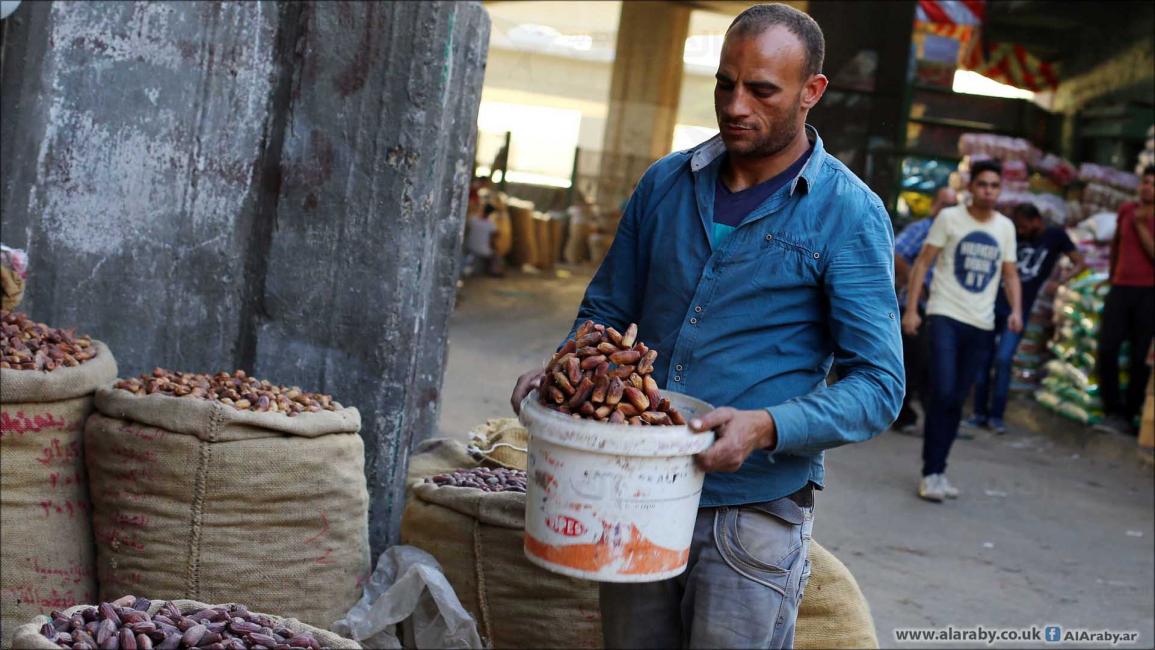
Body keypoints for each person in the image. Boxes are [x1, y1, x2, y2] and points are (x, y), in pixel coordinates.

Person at [510, 5, 903, 647]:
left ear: (812, 93)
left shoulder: (847, 213)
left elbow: (879, 385)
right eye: (725, 83)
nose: (735, 105)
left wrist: (767, 425)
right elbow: (606, 313)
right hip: (632, 494)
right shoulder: (665, 184)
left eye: (762, 90)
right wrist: (565, 370)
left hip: (750, 511)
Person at [902, 160, 1021, 503]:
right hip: (944, 315)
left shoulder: (1005, 228)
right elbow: (922, 261)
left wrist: (1015, 311)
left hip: (981, 323)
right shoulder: (950, 218)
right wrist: (912, 310)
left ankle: (939, 470)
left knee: (956, 399)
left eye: (994, 186)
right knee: (942, 390)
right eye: (983, 184)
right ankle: (930, 472)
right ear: (971, 188)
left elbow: (1010, 273)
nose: (988, 191)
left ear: (1000, 191)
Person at [969, 203, 1086, 433]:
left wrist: (1060, 281)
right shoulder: (1010, 232)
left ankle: (996, 416)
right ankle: (977, 413)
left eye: (1024, 226)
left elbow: (1080, 262)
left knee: (1004, 359)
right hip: (991, 305)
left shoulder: (1055, 237)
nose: (1020, 232)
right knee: (983, 358)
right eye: (1018, 227)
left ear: (1037, 221)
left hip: (1019, 309)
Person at [1095, 165, 1155, 434]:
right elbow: (1117, 243)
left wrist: (1141, 226)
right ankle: (1112, 410)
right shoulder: (1126, 210)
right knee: (1107, 347)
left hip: (1149, 292)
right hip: (1121, 287)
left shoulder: (1143, 217)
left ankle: (1130, 414)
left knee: (1140, 356)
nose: (1147, 188)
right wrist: (1111, 275)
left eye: (1153, 184)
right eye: (1145, 182)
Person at [892, 186, 957, 434]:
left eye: (952, 205)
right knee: (916, 363)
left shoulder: (956, 230)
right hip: (917, 307)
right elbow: (896, 252)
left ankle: (934, 419)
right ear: (934, 206)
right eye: (944, 204)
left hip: (943, 307)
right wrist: (914, 281)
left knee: (931, 365)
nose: (947, 210)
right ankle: (905, 414)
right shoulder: (923, 229)